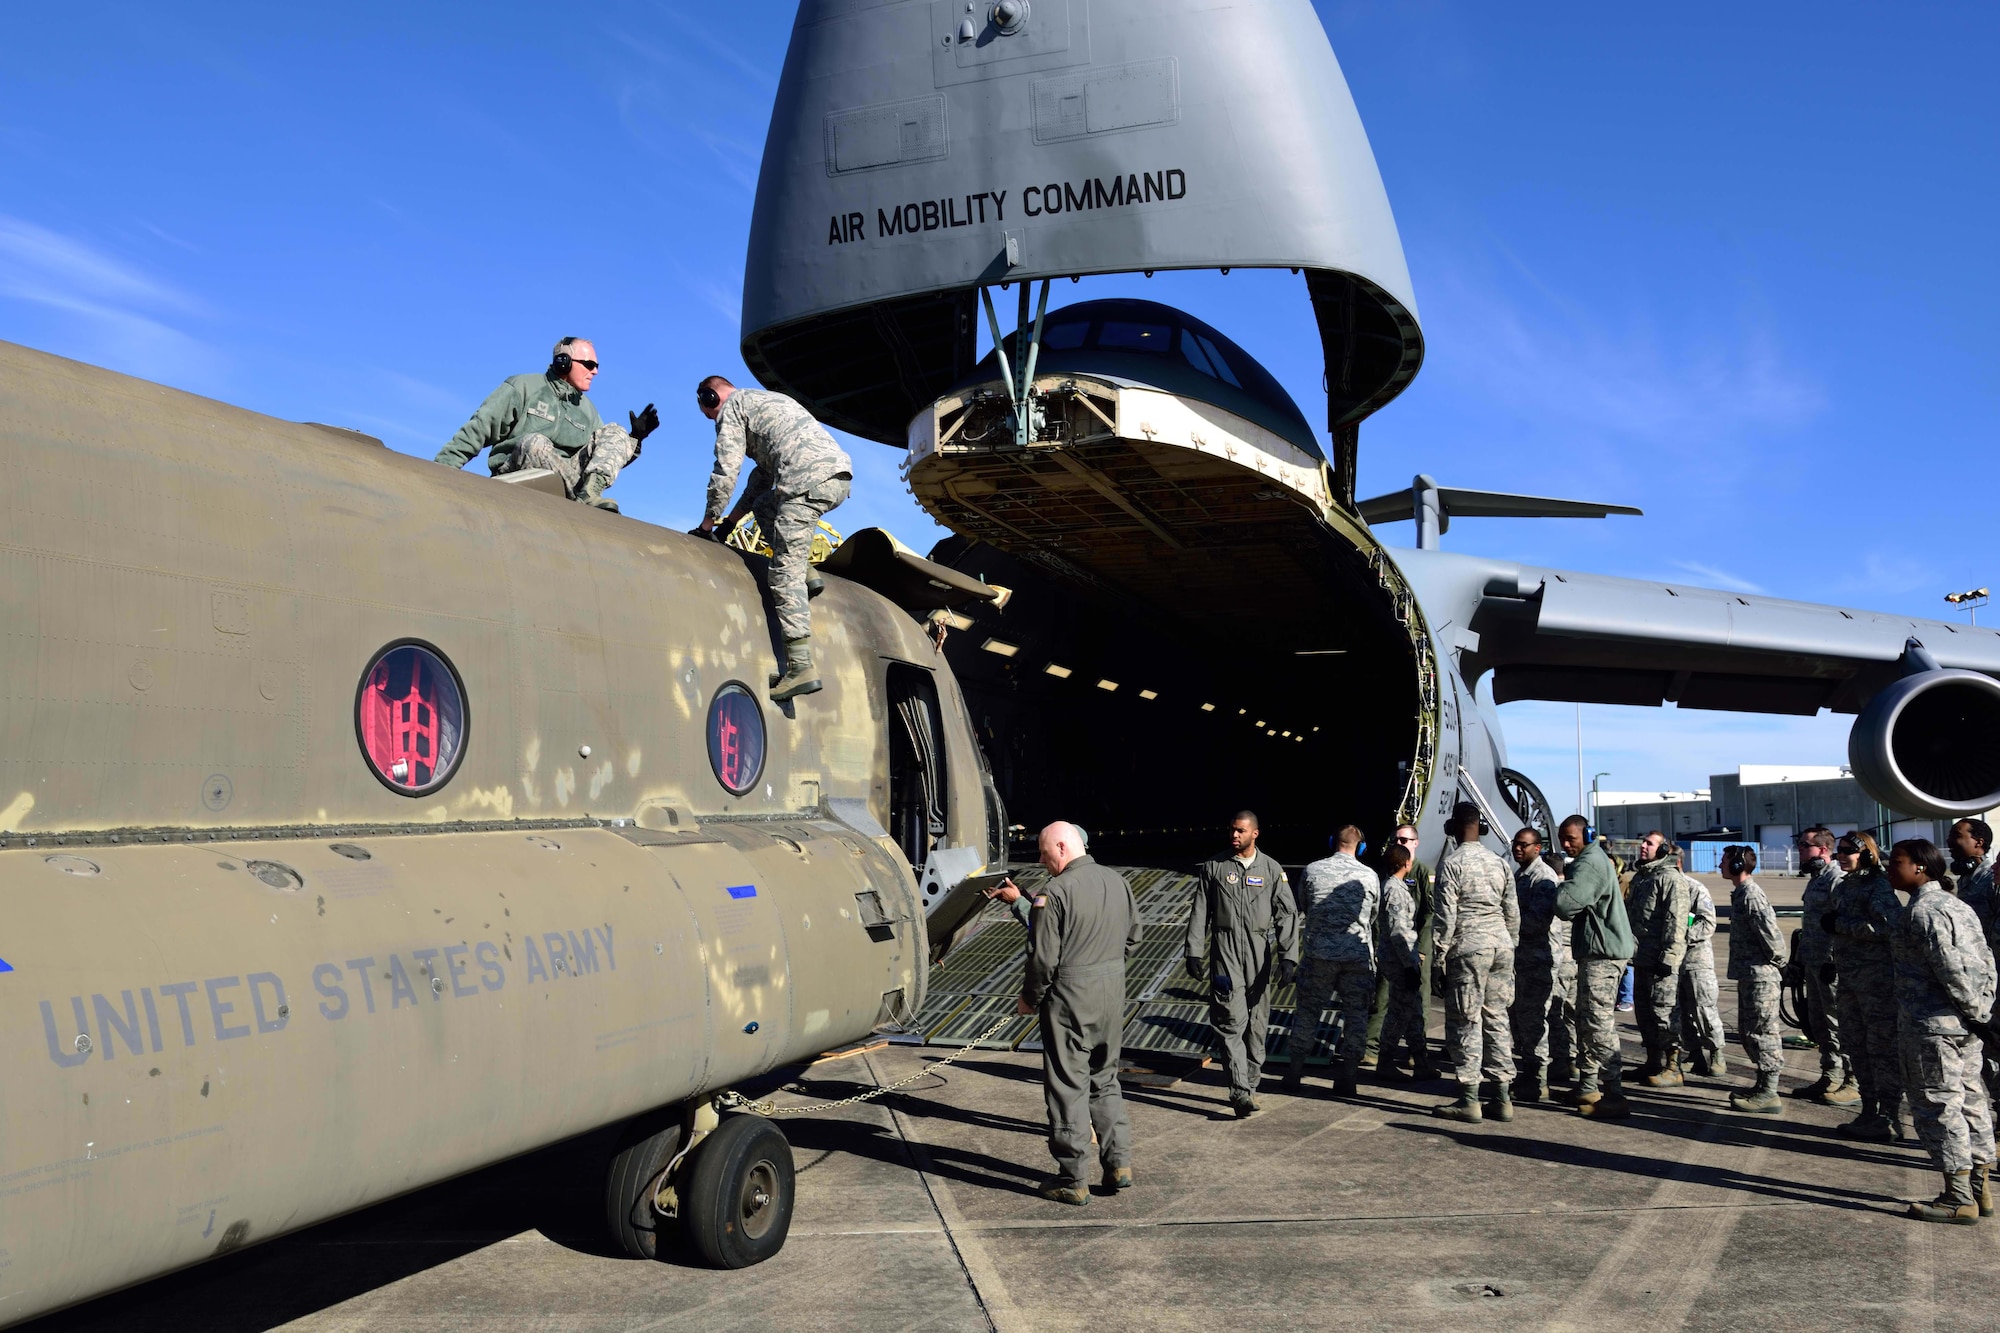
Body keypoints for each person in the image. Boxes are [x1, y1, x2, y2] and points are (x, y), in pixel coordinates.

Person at [692, 376, 854, 703]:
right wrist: (728, 526)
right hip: (836, 476)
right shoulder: (767, 404)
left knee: (783, 573)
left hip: (804, 479)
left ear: (710, 398)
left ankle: (801, 667)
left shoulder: (733, 410)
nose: (713, 420)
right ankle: (806, 573)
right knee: (767, 506)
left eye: (708, 414)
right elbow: (758, 483)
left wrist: (707, 525)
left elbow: (726, 470)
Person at [1010, 821, 1143, 1205]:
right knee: (1106, 1079)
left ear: (1063, 848)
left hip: (1070, 999)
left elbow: (1042, 959)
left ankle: (1073, 1177)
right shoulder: (1117, 882)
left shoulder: (1055, 892)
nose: (1041, 859)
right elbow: (1134, 937)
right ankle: (1118, 1164)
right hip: (1111, 994)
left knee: (1068, 1086)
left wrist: (1029, 999)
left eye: (1044, 852)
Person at [1886, 838, 1997, 1224]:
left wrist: (1971, 1008)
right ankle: (1981, 1189)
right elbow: (1986, 959)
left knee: (1938, 1105)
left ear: (1920, 867)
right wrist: (1981, 1013)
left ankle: (1957, 1197)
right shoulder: (1958, 905)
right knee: (1971, 1100)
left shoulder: (1923, 913)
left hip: (1933, 1027)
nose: (1888, 868)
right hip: (1965, 1026)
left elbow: (1950, 967)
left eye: (1896, 862)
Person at [434, 337, 654, 509]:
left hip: (570, 484)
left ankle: (588, 494)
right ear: (564, 362)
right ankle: (580, 497)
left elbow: (605, 458)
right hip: (516, 473)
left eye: (596, 365)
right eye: (589, 364)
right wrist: (436, 474)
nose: (595, 371)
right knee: (535, 443)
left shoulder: (588, 410)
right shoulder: (523, 386)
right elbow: (478, 429)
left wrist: (635, 439)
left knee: (615, 431)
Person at [1186, 812, 1300, 1118]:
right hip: (1225, 954)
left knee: (1257, 1024)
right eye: (1232, 830)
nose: (1234, 835)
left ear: (1255, 834)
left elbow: (1287, 914)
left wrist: (1289, 957)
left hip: (1259, 954)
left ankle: (1249, 1084)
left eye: (1240, 831)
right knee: (1229, 1022)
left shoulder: (1272, 869)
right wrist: (1193, 951)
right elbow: (1200, 912)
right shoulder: (1214, 867)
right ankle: (1239, 1092)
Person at [1430, 803, 1520, 1124]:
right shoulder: (1499, 863)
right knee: (1497, 1018)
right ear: (1480, 828)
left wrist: (1438, 960)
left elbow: (1445, 917)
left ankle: (1469, 1098)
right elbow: (1512, 912)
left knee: (1466, 1021)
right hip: (1501, 946)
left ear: (1454, 827)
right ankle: (1502, 1098)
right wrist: (1510, 948)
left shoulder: (1452, 864)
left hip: (1469, 948)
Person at [1553, 814, 1637, 1118]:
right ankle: (1588, 1086)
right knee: (1587, 1020)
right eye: (1562, 838)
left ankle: (1614, 1092)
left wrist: (1559, 884)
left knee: (1598, 1024)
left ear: (1587, 835)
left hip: (1604, 956)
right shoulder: (1592, 859)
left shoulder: (1589, 863)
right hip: (1597, 953)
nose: (1565, 844)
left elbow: (1565, 904)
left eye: (1570, 838)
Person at [1286, 825, 1379, 1097]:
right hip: (1356, 958)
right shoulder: (1370, 876)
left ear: (1332, 842)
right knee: (1356, 1016)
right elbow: (1373, 916)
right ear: (1361, 848)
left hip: (1319, 955)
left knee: (1307, 1012)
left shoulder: (1313, 870)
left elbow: (1303, 905)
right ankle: (1348, 1078)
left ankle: (1294, 1073)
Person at [1827, 831, 1907, 1141]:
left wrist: (1842, 926)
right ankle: (1869, 1110)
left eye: (1849, 851)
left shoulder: (1877, 886)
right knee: (1856, 1047)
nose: (1842, 855)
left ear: (1867, 855)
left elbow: (1891, 926)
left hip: (1876, 985)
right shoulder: (1847, 886)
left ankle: (1889, 1117)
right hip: (1849, 980)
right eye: (1840, 850)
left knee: (1881, 1051)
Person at [1509, 826, 1575, 1103]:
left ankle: (1538, 1080)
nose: (1518, 849)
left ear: (1537, 848)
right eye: (1516, 844)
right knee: (1522, 1018)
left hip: (1539, 959)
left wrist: (1506, 924)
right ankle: (1530, 1071)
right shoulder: (1522, 874)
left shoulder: (1543, 877)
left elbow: (1537, 921)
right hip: (1523, 958)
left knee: (1535, 1019)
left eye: (1524, 845)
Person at [1723, 845, 1786, 1114]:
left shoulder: (1751, 895)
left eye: (1724, 861)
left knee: (1763, 1033)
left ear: (1738, 865)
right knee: (1749, 1032)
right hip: (1750, 974)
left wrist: (1778, 964)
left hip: (1761, 977)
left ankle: (1770, 1093)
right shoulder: (1741, 893)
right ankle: (1762, 1086)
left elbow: (1771, 936)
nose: (1720, 865)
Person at [1364, 824, 1434, 1070]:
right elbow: (1398, 931)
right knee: (1398, 1012)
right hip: (1401, 961)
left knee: (1413, 1009)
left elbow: (1427, 915)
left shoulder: (1399, 885)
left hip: (1405, 958)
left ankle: (1421, 1060)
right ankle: (1385, 1061)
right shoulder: (1394, 890)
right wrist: (1409, 965)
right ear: (1404, 865)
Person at [1627, 831, 1693, 1087]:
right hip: (1641, 958)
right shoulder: (1643, 878)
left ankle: (1673, 1067)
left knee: (1665, 1014)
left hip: (1661, 961)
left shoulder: (1670, 879)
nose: (1643, 846)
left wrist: (1670, 956)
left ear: (1663, 849)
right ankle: (1653, 1062)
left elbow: (1676, 921)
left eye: (1650, 843)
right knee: (1644, 1014)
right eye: (1642, 841)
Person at [1795, 826, 1856, 1103]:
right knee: (1820, 1024)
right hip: (1813, 963)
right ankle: (1831, 1075)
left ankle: (1852, 1080)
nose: (1800, 850)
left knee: (1839, 1024)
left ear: (1822, 850)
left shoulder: (1837, 878)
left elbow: (1842, 924)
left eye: (1805, 845)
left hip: (1831, 966)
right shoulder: (1816, 879)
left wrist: (1833, 960)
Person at [1678, 864, 1729, 1078]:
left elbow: (1707, 922)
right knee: (1679, 1011)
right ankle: (1694, 1054)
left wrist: (1679, 938)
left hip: (1696, 959)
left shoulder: (1693, 888)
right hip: (1671, 960)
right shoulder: (1660, 887)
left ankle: (1717, 1054)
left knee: (1703, 1008)